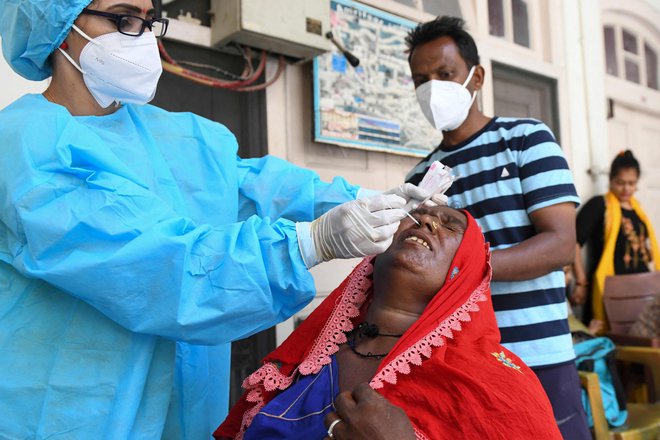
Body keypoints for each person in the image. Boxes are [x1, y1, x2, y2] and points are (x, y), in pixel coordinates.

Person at [0, 1, 431, 438]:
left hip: (187, 411)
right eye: (125, 19)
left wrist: (363, 199)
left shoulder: (176, 136)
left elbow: (252, 185)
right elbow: (163, 265)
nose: (146, 38)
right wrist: (310, 244)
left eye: (149, 22)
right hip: (72, 412)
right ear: (61, 27)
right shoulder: (27, 150)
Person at [215, 205, 562, 440]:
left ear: (466, 274)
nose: (426, 222)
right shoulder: (304, 362)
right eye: (416, 215)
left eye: (450, 225)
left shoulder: (496, 382)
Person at [403, 16, 589, 439]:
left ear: (476, 76)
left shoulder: (526, 139)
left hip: (539, 354)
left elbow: (560, 244)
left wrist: (466, 265)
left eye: (445, 74)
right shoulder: (420, 177)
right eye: (421, 79)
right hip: (462, 361)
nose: (432, 88)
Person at [571, 150, 659, 329]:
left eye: (631, 183)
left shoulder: (638, 210)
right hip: (609, 292)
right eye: (620, 183)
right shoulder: (599, 205)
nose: (626, 189)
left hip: (642, 292)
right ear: (610, 180)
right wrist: (581, 281)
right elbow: (573, 242)